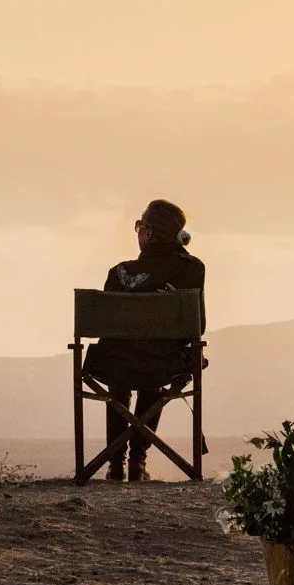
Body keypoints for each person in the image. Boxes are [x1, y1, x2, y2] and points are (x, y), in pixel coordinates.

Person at [83, 199, 206, 481]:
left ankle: (116, 463)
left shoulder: (120, 273)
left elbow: (106, 327)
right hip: (164, 365)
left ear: (149, 233)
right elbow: (198, 326)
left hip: (114, 366)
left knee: (121, 376)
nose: (138, 232)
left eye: (139, 226)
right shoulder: (192, 269)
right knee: (153, 374)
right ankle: (138, 461)